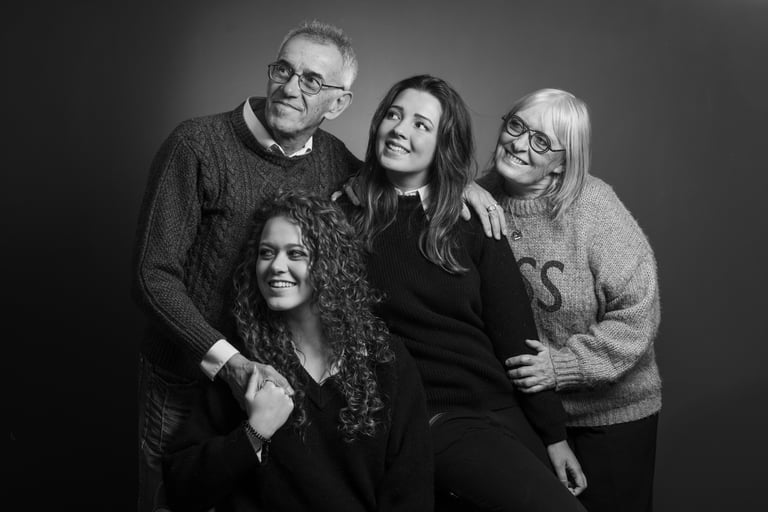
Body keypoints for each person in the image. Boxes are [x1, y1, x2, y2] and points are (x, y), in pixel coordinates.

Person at [132, 20, 503, 512]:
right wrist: (232, 363)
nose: (290, 88)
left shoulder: (335, 163)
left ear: (338, 103)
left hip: (281, 375)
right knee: (174, 499)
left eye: (311, 80)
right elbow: (153, 275)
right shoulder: (197, 144)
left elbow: (399, 176)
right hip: (188, 376)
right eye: (283, 70)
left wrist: (457, 184)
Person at [341, 75, 587, 512]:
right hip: (431, 414)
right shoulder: (343, 218)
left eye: (421, 124)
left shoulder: (472, 217)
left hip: (499, 406)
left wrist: (554, 435)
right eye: (394, 115)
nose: (399, 129)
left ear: (443, 143)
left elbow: (516, 336)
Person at [162, 192, 432, 511]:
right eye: (266, 253)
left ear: (330, 263)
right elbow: (181, 486)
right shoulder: (245, 363)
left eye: (295, 253)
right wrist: (255, 432)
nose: (276, 266)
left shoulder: (386, 360)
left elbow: (411, 491)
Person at [478, 88, 662, 512]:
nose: (519, 144)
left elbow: (637, 316)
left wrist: (561, 366)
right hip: (528, 415)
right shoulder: (478, 198)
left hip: (609, 415)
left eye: (541, 141)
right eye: (516, 126)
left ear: (563, 161)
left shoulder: (594, 208)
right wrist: (463, 191)